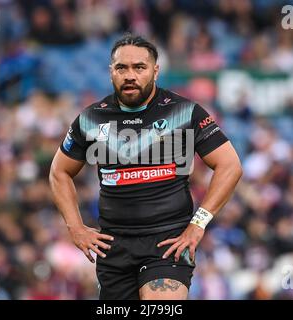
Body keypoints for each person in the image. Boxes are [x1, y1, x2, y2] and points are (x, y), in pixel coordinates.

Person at [49, 33, 243, 300]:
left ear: (155, 71)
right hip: (114, 248)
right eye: (122, 68)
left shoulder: (185, 112)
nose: (130, 75)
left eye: (139, 67)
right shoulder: (91, 118)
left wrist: (198, 224)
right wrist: (75, 227)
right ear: (111, 72)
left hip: (168, 243)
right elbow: (59, 172)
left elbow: (230, 165)